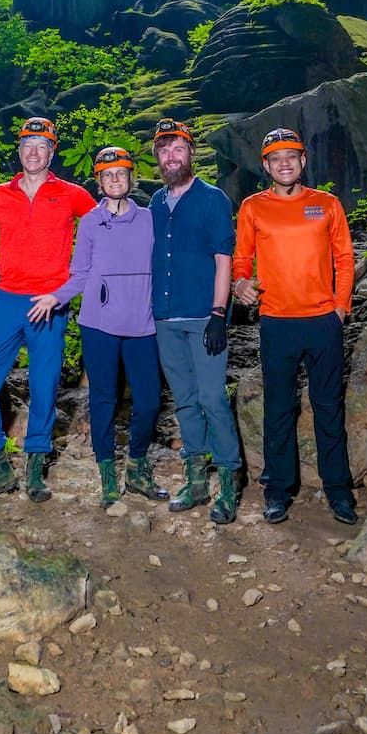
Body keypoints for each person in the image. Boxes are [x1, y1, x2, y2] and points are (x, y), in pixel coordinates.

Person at [232, 127, 356, 526]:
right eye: (275, 158)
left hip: (323, 322)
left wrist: (339, 309)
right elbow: (241, 261)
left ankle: (338, 490)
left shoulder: (327, 204)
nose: (284, 163)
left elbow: (345, 259)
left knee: (328, 408)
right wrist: (240, 284)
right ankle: (277, 490)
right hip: (277, 322)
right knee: (279, 409)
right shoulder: (253, 207)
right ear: (265, 165)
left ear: (303, 162)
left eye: (292, 156)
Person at [0, 117, 96, 503]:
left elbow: (102, 229)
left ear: (51, 152)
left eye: (42, 146)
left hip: (50, 304)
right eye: (27, 146)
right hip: (6, 300)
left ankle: (36, 466)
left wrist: (80, 282)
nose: (34, 152)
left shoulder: (72, 194)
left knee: (44, 388)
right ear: (19, 151)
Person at [30, 146, 166, 508]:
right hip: (99, 324)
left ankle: (136, 466)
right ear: (99, 181)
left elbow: (166, 264)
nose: (115, 180)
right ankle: (107, 472)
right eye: (107, 175)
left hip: (142, 323)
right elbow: (81, 272)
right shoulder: (90, 221)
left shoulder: (150, 218)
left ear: (131, 177)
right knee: (103, 399)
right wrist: (55, 298)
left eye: (120, 173)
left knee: (150, 400)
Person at [149, 117, 242, 525]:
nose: (172, 157)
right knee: (184, 400)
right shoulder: (154, 203)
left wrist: (219, 314)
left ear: (191, 153)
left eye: (178, 149)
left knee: (212, 398)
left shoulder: (213, 199)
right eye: (164, 151)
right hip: (165, 318)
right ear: (158, 158)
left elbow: (225, 259)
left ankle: (229, 482)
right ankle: (196, 480)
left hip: (204, 316)